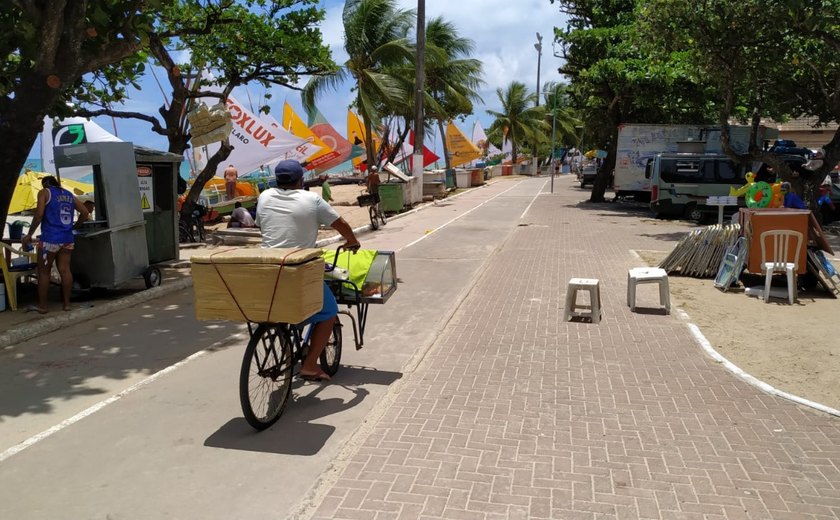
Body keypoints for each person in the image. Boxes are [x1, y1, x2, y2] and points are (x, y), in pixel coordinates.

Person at [256, 160, 360, 382]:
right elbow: (340, 224)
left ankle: (286, 344)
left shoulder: (264, 197)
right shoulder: (312, 199)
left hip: (267, 269)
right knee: (329, 312)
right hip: (299, 269)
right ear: (301, 180)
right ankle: (310, 365)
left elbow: (262, 225)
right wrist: (352, 241)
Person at [21, 176, 90, 313]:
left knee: (44, 272)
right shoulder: (69, 195)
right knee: (65, 271)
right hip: (67, 239)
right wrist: (74, 226)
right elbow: (85, 212)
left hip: (49, 239)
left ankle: (42, 306)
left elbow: (39, 214)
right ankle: (67, 305)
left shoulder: (45, 192)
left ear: (44, 184)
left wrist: (29, 233)